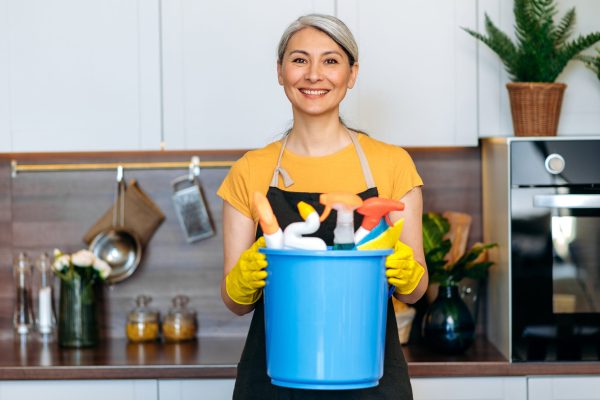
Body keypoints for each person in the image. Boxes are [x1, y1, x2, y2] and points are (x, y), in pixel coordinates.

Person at [217, 14, 427, 400]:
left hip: (370, 381)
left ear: (352, 74)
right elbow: (234, 303)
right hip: (274, 381)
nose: (314, 74)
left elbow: (416, 292)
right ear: (280, 72)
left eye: (330, 61)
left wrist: (406, 271)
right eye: (299, 60)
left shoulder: (392, 164)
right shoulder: (251, 170)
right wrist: (242, 278)